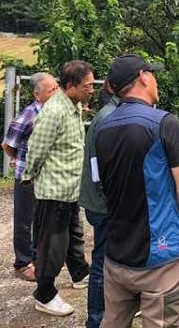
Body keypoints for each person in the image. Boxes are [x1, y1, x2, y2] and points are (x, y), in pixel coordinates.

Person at [94, 54, 179, 327]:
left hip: (116, 256)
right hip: (160, 259)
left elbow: (101, 186)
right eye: (153, 74)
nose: (156, 80)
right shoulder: (164, 123)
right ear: (143, 76)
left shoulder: (101, 128)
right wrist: (170, 219)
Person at [22, 60, 94, 316]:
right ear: (71, 85)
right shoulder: (54, 112)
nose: (91, 89)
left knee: (73, 236)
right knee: (52, 244)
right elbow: (36, 150)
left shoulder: (72, 105)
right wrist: (30, 176)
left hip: (70, 190)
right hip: (54, 191)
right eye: (87, 85)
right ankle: (45, 293)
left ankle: (80, 273)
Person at [1, 72, 59, 281]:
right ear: (37, 94)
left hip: (45, 176)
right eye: (51, 90)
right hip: (27, 177)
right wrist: (17, 159)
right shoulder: (29, 115)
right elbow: (7, 144)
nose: (56, 93)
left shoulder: (54, 112)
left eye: (57, 88)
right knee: (25, 219)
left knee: (40, 218)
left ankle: (37, 258)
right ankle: (23, 263)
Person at [79, 78, 120, 328]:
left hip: (103, 201)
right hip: (104, 204)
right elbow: (100, 171)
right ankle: (96, 320)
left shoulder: (113, 113)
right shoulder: (109, 118)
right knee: (102, 261)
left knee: (109, 259)